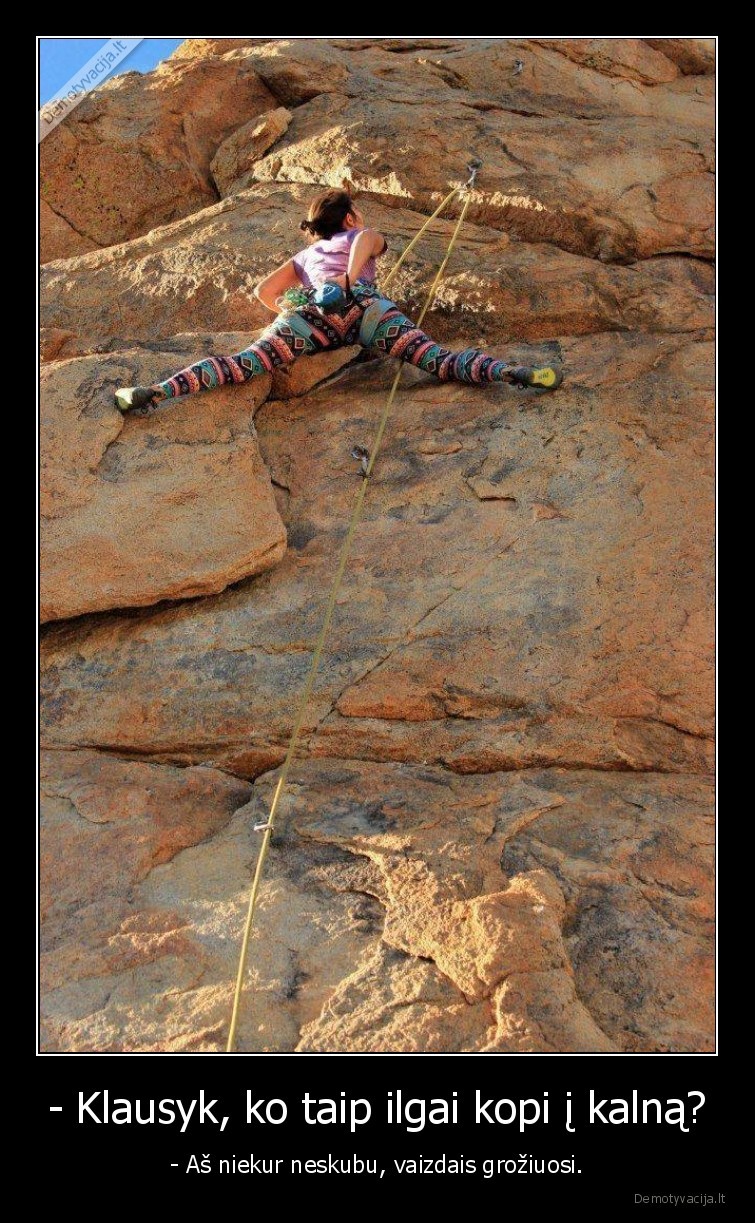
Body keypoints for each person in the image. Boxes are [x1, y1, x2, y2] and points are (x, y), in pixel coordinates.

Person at [114, 189, 563, 413]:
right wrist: (350, 281)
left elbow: (263, 293)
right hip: (369, 313)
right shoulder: (361, 234)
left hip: (311, 320)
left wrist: (294, 314)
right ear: (348, 217)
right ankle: (511, 372)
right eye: (356, 215)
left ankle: (159, 391)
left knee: (241, 364)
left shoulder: (305, 254)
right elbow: (369, 242)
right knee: (437, 360)